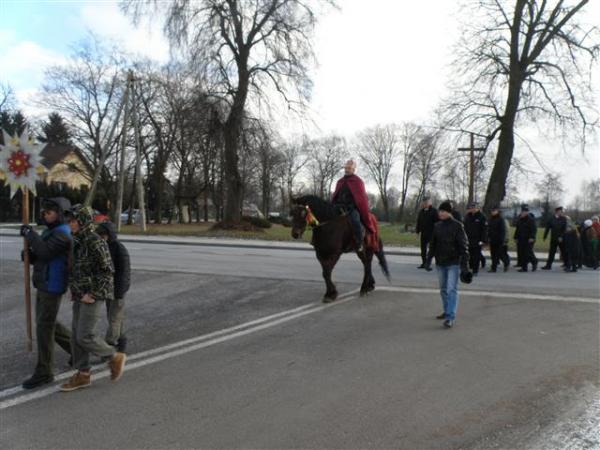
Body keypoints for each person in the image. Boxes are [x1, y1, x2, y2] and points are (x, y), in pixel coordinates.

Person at [60, 206, 126, 392]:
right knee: (76, 336)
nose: (71, 224)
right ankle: (83, 374)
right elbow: (76, 269)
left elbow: (107, 271)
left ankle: (114, 356)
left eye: (74, 221)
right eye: (69, 221)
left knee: (85, 335)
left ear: (83, 221)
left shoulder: (95, 241)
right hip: (79, 294)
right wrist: (74, 289)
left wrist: (94, 294)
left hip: (92, 295)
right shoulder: (77, 240)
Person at [19, 198, 73, 389]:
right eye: (44, 212)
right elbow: (42, 256)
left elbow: (46, 252)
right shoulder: (51, 231)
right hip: (44, 284)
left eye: (49, 212)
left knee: (44, 328)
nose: (45, 215)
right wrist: (30, 256)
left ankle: (45, 371)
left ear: (60, 214)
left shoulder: (63, 233)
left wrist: (30, 235)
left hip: (53, 286)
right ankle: (78, 351)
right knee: (48, 323)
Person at [425, 201, 471, 329]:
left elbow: (463, 246)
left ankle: (450, 317)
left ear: (449, 212)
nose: (440, 213)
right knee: (443, 289)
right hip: (440, 263)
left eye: (443, 211)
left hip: (453, 263)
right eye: (440, 211)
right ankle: (447, 311)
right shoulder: (437, 226)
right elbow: (433, 245)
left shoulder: (458, 226)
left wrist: (465, 266)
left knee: (451, 289)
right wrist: (428, 260)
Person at [96, 221, 131, 353]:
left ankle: (108, 346)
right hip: (109, 289)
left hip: (117, 290)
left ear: (109, 235)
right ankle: (121, 341)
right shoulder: (105, 247)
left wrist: (119, 292)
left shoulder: (119, 249)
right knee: (115, 317)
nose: (101, 238)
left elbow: (124, 272)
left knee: (114, 318)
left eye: (103, 235)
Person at [331, 159, 376, 253]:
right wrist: (335, 204)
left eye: (349, 168)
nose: (347, 170)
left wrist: (352, 206)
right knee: (326, 217)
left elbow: (361, 199)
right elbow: (336, 195)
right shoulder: (340, 181)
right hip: (339, 206)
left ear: (353, 170)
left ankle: (359, 242)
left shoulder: (358, 182)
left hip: (352, 208)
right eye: (346, 168)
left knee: (355, 221)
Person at [463, 202, 487, 275]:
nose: (472, 209)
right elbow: (464, 227)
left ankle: (475, 270)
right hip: (468, 239)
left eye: (474, 208)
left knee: (476, 255)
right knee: (469, 255)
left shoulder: (481, 217)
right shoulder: (467, 216)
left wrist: (483, 240)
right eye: (471, 208)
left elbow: (484, 230)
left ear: (477, 208)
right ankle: (470, 268)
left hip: (477, 239)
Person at [415, 197, 438, 269]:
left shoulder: (434, 211)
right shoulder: (421, 212)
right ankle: (424, 263)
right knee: (423, 249)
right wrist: (417, 232)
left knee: (433, 249)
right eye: (424, 202)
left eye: (426, 202)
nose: (425, 204)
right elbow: (419, 222)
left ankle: (434, 263)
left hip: (432, 233)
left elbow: (438, 222)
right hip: (423, 233)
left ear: (430, 203)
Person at [514, 204, 538, 272]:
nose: (523, 213)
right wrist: (515, 237)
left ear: (527, 212)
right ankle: (525, 267)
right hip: (521, 239)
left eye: (525, 211)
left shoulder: (531, 220)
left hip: (529, 239)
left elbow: (534, 229)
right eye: (522, 211)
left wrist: (532, 237)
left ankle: (534, 262)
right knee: (523, 253)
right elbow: (517, 229)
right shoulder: (520, 219)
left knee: (527, 253)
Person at [487, 206, 510, 272]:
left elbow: (502, 231)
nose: (492, 212)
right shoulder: (491, 219)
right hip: (492, 239)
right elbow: (489, 229)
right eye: (492, 211)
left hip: (499, 240)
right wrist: (488, 237)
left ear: (497, 211)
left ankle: (506, 263)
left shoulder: (500, 219)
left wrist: (502, 239)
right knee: (493, 255)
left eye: (494, 211)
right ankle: (493, 268)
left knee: (500, 254)